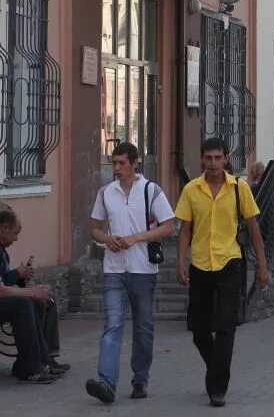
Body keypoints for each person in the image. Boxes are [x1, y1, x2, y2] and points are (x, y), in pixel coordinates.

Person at [176, 138, 269, 408]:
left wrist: (262, 266)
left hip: (230, 262)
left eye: (218, 158)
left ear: (226, 159)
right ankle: (217, 368)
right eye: (209, 158)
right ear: (202, 159)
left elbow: (253, 229)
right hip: (201, 264)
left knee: (227, 325)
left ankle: (217, 388)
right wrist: (181, 262)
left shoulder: (239, 188)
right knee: (198, 329)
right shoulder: (192, 190)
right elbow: (184, 230)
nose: (214, 163)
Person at [86, 142, 175, 404]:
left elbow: (169, 226)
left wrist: (137, 237)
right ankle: (106, 383)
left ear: (135, 163)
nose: (116, 168)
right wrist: (107, 238)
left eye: (121, 163)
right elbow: (94, 228)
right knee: (112, 324)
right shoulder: (106, 193)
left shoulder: (151, 190)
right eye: (113, 163)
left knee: (143, 327)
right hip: (114, 268)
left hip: (142, 269)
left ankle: (140, 379)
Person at [0, 207, 61, 384]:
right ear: (3, 228)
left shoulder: (2, 251)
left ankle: (40, 360)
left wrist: (31, 289)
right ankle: (30, 367)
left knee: (37, 301)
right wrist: (32, 291)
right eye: (14, 233)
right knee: (24, 304)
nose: (16, 238)